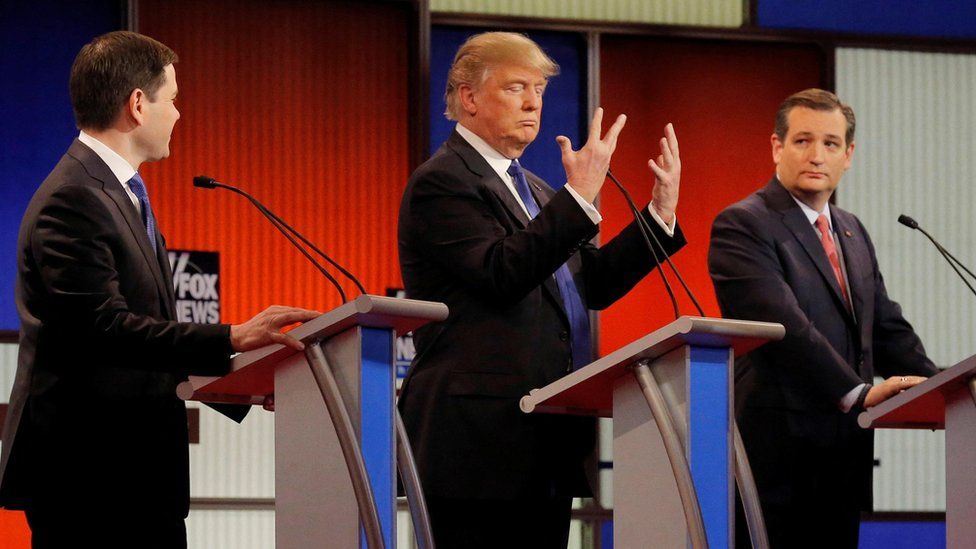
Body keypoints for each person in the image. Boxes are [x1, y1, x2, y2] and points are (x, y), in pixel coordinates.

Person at [0, 31, 319, 547]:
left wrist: (242, 383)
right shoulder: (74, 198)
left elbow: (147, 339)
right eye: (173, 99)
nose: (178, 114)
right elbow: (104, 330)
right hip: (93, 480)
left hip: (134, 478)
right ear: (138, 104)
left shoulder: (117, 194)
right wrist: (232, 337)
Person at [397, 31, 685, 548]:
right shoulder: (442, 182)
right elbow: (501, 273)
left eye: (539, 90)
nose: (533, 102)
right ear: (468, 97)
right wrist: (578, 197)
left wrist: (658, 217)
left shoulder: (536, 189)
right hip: (476, 445)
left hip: (544, 438)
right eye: (516, 87)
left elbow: (591, 285)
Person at [708, 88, 938, 548]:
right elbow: (786, 327)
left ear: (848, 155)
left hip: (844, 455)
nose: (817, 155)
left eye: (830, 143)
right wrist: (861, 392)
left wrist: (940, 386)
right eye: (802, 141)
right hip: (777, 457)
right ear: (777, 147)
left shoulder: (852, 231)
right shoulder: (744, 224)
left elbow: (886, 326)